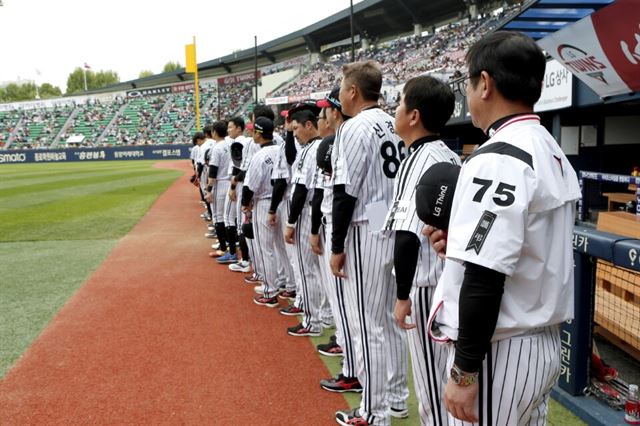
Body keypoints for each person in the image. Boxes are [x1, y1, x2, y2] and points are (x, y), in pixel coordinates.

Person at [424, 31, 581, 425]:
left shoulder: (498, 156)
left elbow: (485, 275)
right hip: (537, 340)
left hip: (500, 348)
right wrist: (458, 245)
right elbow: (515, 248)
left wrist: (464, 370)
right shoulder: (550, 148)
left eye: (470, 82)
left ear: (486, 84)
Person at [330, 60, 409, 426]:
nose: (341, 93)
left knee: (368, 325)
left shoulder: (352, 127)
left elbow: (345, 193)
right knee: (390, 322)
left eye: (343, 87)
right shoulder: (394, 122)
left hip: (366, 227)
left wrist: (336, 245)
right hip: (393, 222)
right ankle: (396, 399)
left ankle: (373, 413)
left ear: (353, 91)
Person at [383, 75, 460, 426]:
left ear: (413, 116)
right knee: (443, 382)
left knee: (431, 389)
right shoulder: (449, 155)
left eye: (399, 104)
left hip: (428, 287)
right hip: (450, 281)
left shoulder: (418, 160)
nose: (394, 110)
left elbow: (407, 235)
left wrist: (402, 296)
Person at [310, 88, 361, 393]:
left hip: (350, 230)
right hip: (366, 230)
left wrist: (336, 244)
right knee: (373, 319)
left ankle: (354, 372)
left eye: (326, 110)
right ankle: (392, 393)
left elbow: (340, 194)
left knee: (357, 315)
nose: (324, 116)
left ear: (336, 112)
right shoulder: (373, 129)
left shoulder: (346, 137)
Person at [282, 109, 324, 337]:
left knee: (307, 270)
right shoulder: (322, 146)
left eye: (296, 128)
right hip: (318, 213)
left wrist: (290, 223)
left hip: (308, 214)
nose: (294, 133)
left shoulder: (311, 151)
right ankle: (324, 316)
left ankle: (312, 321)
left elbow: (300, 191)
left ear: (309, 125)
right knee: (318, 271)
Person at [240, 117, 288, 307]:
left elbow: (249, 186)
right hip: (282, 202)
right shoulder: (281, 150)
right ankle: (289, 284)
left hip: (263, 204)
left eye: (253, 131)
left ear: (258, 133)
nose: (252, 134)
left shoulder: (259, 156)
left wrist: (245, 205)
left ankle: (270, 290)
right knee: (282, 248)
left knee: (265, 248)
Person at [205, 120, 230, 256]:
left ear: (214, 132)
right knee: (228, 217)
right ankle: (229, 246)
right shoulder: (229, 143)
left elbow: (213, 170)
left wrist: (208, 190)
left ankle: (223, 248)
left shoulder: (217, 147)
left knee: (218, 217)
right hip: (230, 182)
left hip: (220, 183)